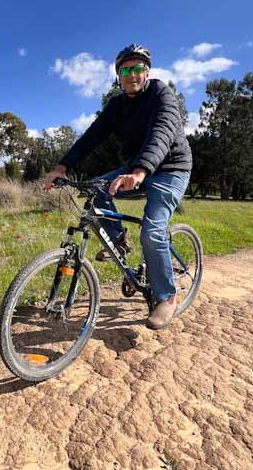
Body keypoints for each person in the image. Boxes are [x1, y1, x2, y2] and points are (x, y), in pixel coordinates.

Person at [44, 44, 192, 330]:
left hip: (171, 168)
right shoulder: (116, 106)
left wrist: (139, 171)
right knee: (97, 190)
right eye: (126, 69)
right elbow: (91, 137)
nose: (132, 74)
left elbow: (161, 133)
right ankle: (120, 242)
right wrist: (60, 168)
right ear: (118, 76)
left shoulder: (162, 94)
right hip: (140, 166)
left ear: (147, 72)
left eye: (138, 68)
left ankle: (166, 297)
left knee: (152, 231)